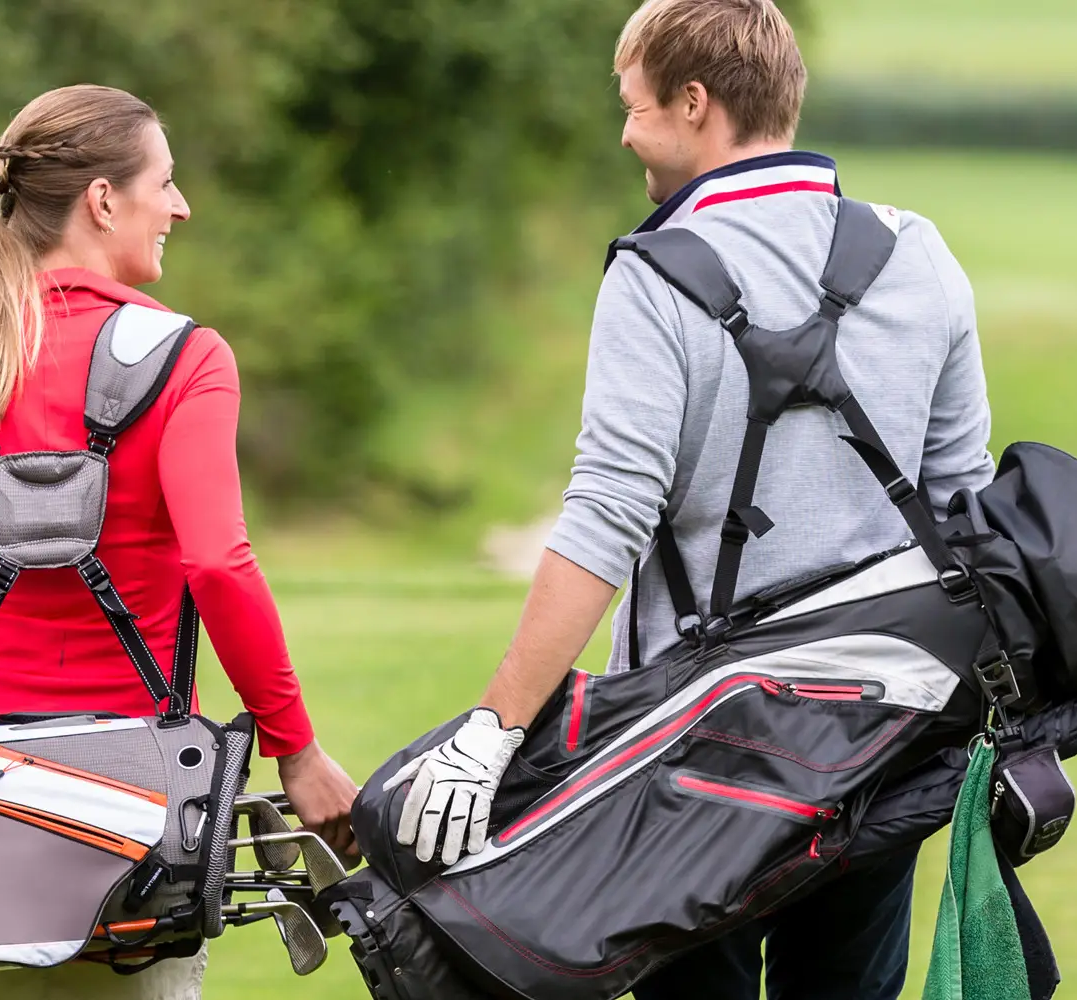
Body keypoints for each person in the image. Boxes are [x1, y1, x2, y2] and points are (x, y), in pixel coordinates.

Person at [386, 2, 996, 999]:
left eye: (632, 106)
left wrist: (497, 725)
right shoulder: (917, 252)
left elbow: (606, 517)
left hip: (696, 760)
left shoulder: (655, 273)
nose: (625, 131)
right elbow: (963, 509)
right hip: (884, 731)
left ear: (694, 103)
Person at [0, 84, 358, 1000]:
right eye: (167, 181)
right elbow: (218, 568)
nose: (180, 206)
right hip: (133, 826)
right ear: (104, 200)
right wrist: (296, 750)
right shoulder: (189, 358)